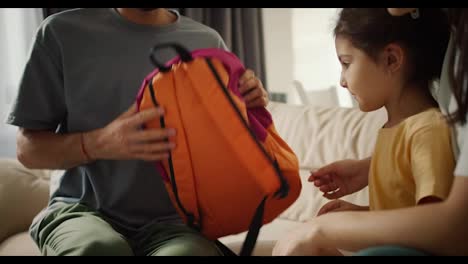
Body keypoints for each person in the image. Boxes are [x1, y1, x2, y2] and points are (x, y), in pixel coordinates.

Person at [6, 8, 268, 256]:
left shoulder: (207, 41)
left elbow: (230, 148)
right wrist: (98, 143)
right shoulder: (61, 33)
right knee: (100, 250)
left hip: (176, 225)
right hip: (81, 211)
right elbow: (28, 150)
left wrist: (249, 108)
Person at [272, 7, 468, 256]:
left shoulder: (426, 129)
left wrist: (340, 226)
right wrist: (360, 214)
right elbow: (404, 214)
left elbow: (431, 228)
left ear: (391, 60)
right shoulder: (393, 130)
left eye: (346, 63)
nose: (342, 81)